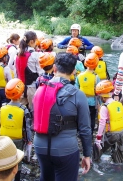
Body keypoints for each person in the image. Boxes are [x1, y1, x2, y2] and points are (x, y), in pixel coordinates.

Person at [33, 53, 91, 181]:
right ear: (73, 72)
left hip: (40, 146)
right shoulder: (78, 95)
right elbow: (85, 129)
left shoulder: (40, 90)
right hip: (65, 149)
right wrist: (87, 154)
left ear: (54, 68)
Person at [0, 79, 32, 181]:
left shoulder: (2, 108)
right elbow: (27, 127)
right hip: (18, 140)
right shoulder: (23, 109)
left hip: (3, 139)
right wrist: (29, 140)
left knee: (5, 160)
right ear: (20, 94)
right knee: (17, 161)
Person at [94, 80, 123, 164]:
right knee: (118, 154)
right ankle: (118, 167)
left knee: (97, 148)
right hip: (121, 132)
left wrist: (98, 138)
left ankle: (94, 165)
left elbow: (102, 123)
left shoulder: (105, 107)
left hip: (111, 134)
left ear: (103, 96)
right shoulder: (118, 103)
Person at [15, 31, 42, 111]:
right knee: (33, 112)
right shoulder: (35, 55)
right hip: (32, 87)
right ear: (31, 41)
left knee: (21, 111)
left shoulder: (18, 54)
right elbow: (40, 73)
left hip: (20, 87)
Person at [75, 53, 100, 134]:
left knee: (81, 117)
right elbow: (98, 91)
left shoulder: (79, 76)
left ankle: (80, 132)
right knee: (92, 118)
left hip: (81, 101)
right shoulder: (96, 77)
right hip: (92, 102)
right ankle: (90, 132)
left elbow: (76, 89)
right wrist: (100, 103)